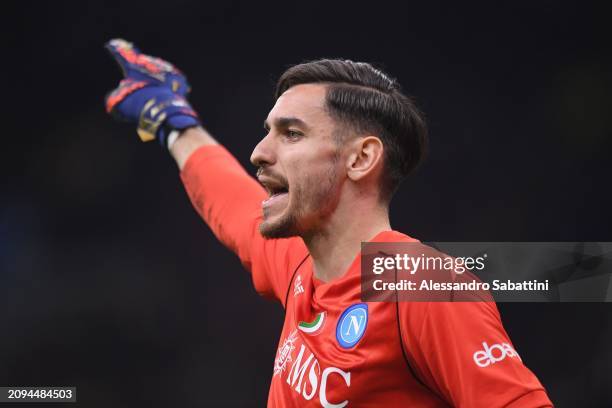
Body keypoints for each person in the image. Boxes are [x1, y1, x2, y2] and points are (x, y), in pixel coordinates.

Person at [104, 39, 553, 407]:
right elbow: (231, 204)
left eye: (291, 134)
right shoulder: (303, 263)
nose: (259, 152)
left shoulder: (421, 284)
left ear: (360, 158)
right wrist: (172, 119)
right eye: (268, 131)